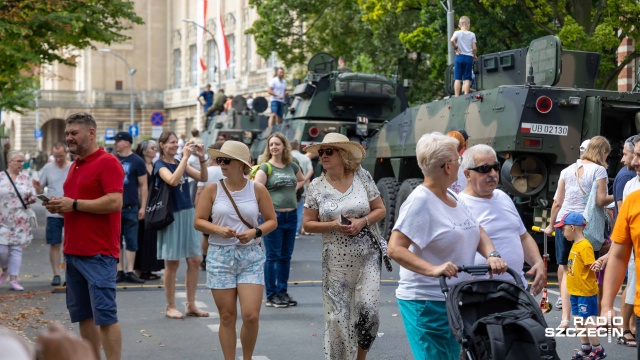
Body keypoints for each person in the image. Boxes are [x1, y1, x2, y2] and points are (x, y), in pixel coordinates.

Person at [388, 132, 507, 360]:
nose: (460, 162)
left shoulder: (453, 196)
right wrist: (433, 269)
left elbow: (477, 228)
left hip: (454, 299)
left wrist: (491, 254)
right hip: (426, 301)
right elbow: (395, 248)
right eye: (457, 158)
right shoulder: (420, 201)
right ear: (447, 167)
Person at [44, 112, 124, 360]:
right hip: (74, 251)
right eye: (67, 133)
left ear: (91, 133)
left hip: (99, 253)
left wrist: (74, 204)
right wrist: (59, 205)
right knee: (84, 316)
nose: (69, 137)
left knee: (106, 316)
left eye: (73, 133)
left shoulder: (108, 162)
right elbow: (77, 202)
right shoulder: (75, 165)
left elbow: (115, 201)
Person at [302, 133, 386, 359]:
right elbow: (308, 225)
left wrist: (362, 221)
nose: (324, 156)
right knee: (337, 317)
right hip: (336, 259)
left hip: (367, 255)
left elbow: (380, 209)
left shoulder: (362, 177)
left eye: (329, 151)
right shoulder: (316, 187)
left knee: (369, 313)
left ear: (343, 154)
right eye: (321, 152)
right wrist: (333, 225)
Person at [194, 141, 277, 360]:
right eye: (219, 160)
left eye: (226, 160)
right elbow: (199, 221)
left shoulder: (257, 189)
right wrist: (218, 229)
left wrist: (255, 232)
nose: (221, 164)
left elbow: (272, 221)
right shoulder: (213, 188)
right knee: (227, 316)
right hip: (220, 256)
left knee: (251, 315)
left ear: (241, 164)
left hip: (250, 255)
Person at [544, 136, 613, 329]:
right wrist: (620, 195)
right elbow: (600, 201)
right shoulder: (599, 170)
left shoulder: (566, 170)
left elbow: (557, 202)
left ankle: (566, 319)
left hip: (564, 224)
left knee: (567, 271)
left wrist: (551, 225)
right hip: (585, 228)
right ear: (603, 152)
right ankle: (588, 318)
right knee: (589, 271)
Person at [459, 144, 544, 291]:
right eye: (484, 169)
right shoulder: (459, 205)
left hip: (516, 289)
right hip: (479, 295)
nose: (492, 173)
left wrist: (538, 262)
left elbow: (523, 236)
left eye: (495, 167)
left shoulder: (503, 197)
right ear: (467, 174)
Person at [155, 131, 209, 319]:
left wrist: (202, 159)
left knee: (195, 260)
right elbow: (172, 180)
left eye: (176, 142)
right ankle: (170, 306)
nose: (175, 145)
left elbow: (203, 177)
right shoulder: (159, 165)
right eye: (171, 142)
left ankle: (190, 304)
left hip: (188, 213)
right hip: (172, 215)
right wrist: (185, 158)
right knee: (172, 262)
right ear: (162, 145)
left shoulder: (179, 162)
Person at [254, 132, 304, 308]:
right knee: (273, 256)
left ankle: (282, 292)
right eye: (271, 144)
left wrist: (291, 190)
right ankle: (271, 295)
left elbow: (302, 179)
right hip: (273, 217)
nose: (274, 147)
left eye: (277, 144)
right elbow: (256, 191)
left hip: (291, 216)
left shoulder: (292, 165)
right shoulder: (265, 168)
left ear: (284, 146)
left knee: (286, 256)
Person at [601, 137, 640, 358]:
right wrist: (607, 305)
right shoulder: (633, 196)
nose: (634, 162)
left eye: (639, 156)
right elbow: (619, 253)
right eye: (633, 155)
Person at [555, 212, 606, 359]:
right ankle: (586, 346)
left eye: (563, 229)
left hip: (585, 291)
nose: (562, 232)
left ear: (572, 228)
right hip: (575, 291)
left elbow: (592, 266)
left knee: (587, 321)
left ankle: (598, 349)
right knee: (578, 320)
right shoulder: (576, 245)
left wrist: (597, 266)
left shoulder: (584, 246)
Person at [33, 143, 71, 286]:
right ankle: (56, 274)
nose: (59, 159)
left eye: (61, 156)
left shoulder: (73, 166)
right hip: (53, 212)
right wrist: (38, 188)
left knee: (71, 244)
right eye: (56, 156)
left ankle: (70, 273)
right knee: (55, 243)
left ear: (66, 152)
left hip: (70, 211)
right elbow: (40, 190)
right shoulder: (47, 168)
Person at [612, 135, 638, 346]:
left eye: (626, 154)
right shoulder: (626, 180)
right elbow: (623, 214)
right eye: (633, 155)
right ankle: (626, 328)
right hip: (630, 247)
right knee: (631, 285)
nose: (624, 159)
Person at [113, 132, 147, 284]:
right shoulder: (113, 159)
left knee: (131, 239)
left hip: (131, 206)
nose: (116, 144)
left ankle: (130, 271)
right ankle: (119, 270)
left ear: (126, 143)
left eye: (118, 141)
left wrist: (143, 206)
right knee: (116, 240)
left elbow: (143, 185)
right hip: (114, 206)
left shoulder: (137, 161)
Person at [0, 151, 36, 291]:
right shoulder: (1, 177)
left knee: (16, 249)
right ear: (10, 161)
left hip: (20, 219)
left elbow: (31, 195)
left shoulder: (25, 178)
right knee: (2, 250)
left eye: (22, 161)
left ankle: (13, 280)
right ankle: (5, 270)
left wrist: (31, 198)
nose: (22, 164)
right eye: (19, 161)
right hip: (2, 218)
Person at [132, 140, 165, 280]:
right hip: (143, 206)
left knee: (153, 238)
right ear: (144, 151)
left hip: (155, 207)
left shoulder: (155, 165)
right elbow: (140, 188)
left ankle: (150, 268)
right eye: (152, 148)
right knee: (142, 237)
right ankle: (140, 268)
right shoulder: (140, 166)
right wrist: (142, 206)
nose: (155, 150)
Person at [196, 141, 226, 270]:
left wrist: (198, 207)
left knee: (206, 236)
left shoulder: (206, 171)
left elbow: (199, 191)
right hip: (224, 207)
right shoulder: (227, 171)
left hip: (208, 208)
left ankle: (205, 259)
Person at [290, 140, 313, 236]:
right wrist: (304, 179)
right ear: (298, 147)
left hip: (287, 187)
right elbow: (311, 170)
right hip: (300, 187)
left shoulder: (286, 157)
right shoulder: (305, 158)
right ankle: (296, 231)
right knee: (299, 209)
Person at [450, 16, 477, 96]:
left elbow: (452, 40)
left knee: (457, 78)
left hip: (459, 57)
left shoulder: (457, 33)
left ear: (459, 25)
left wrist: (456, 48)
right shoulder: (472, 34)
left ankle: (456, 96)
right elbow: (474, 48)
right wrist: (474, 55)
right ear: (468, 25)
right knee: (467, 78)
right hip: (468, 58)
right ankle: (466, 95)